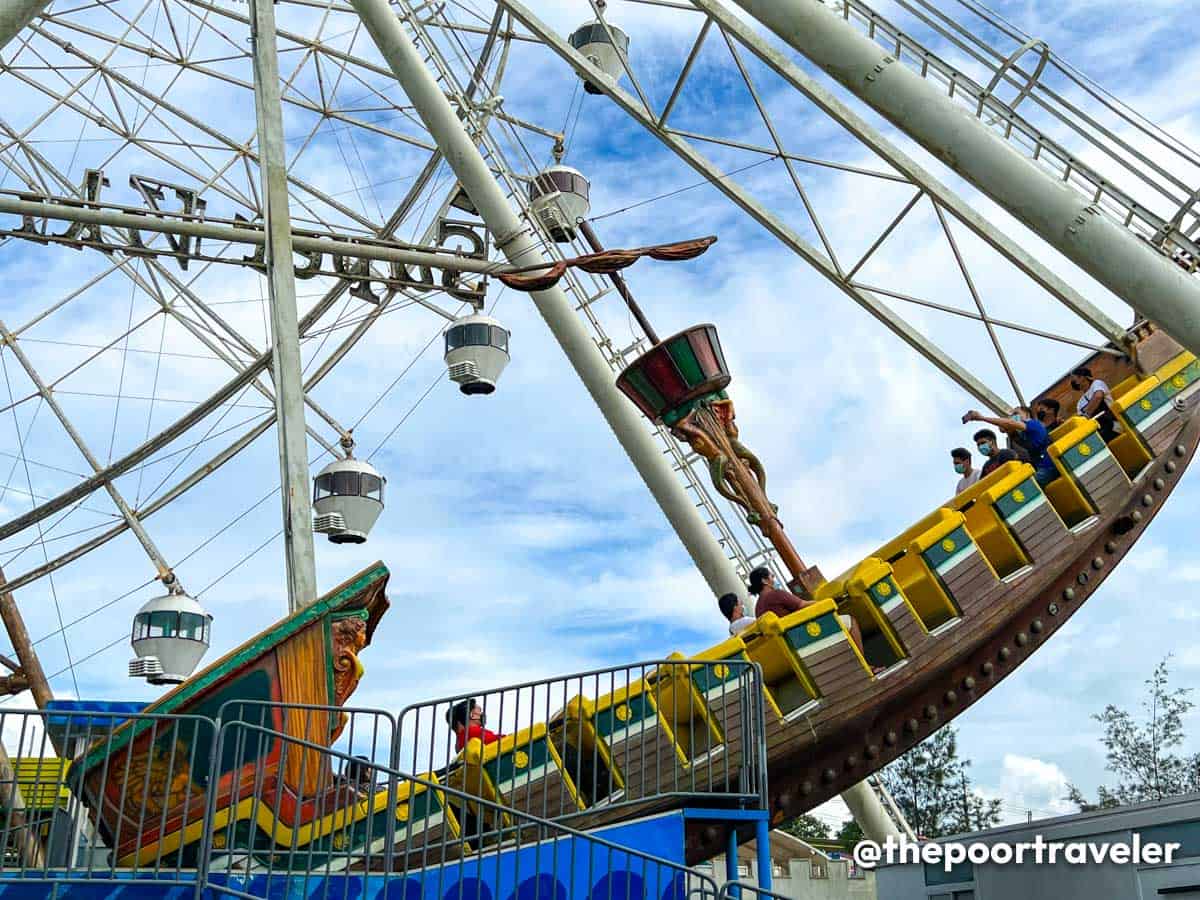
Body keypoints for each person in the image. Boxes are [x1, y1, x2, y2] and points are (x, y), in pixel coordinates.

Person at [748, 566, 880, 671]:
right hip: (804, 636)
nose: (773, 578)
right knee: (850, 621)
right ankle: (863, 666)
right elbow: (803, 605)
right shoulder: (776, 594)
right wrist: (828, 602)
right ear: (764, 581)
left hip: (789, 644)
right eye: (771, 576)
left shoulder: (758, 607)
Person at [965, 408, 1056, 484]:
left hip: (1049, 466)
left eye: (1016, 413)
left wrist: (982, 418)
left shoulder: (1033, 424)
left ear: (1027, 414)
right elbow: (1009, 429)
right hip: (1041, 467)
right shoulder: (1024, 435)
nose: (1012, 417)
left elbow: (1009, 423)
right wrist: (1005, 427)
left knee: (1026, 485)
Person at [1071, 366, 1116, 440]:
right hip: (1099, 430)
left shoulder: (1097, 383)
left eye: (1075, 378)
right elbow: (1082, 421)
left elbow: (1098, 396)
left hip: (1114, 423)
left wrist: (1087, 413)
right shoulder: (1080, 403)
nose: (1074, 381)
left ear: (1082, 377)